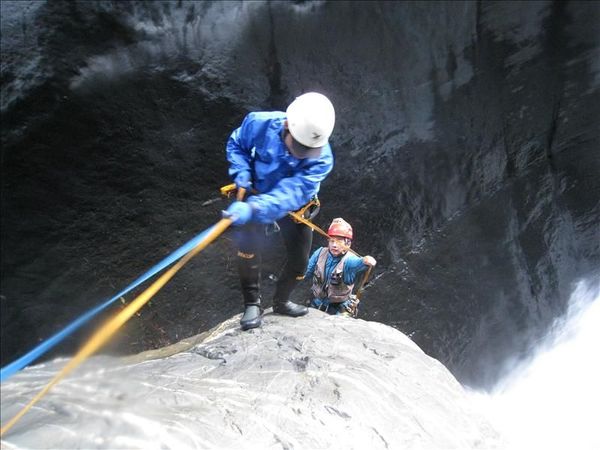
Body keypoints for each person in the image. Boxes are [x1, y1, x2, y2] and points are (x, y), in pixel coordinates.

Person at [223, 92, 336, 331]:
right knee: (248, 251)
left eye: (306, 149)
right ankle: (252, 303)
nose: (300, 153)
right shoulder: (259, 123)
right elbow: (237, 144)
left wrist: (255, 208)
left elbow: (291, 192)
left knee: (300, 262)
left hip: (293, 208)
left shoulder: (322, 158)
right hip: (253, 194)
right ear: (287, 125)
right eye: (298, 145)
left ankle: (281, 301)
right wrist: (241, 174)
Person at [305, 218, 377, 316]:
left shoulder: (349, 261)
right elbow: (305, 272)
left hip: (338, 306)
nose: (334, 245)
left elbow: (359, 263)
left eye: (339, 241)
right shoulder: (320, 253)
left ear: (347, 243)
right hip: (317, 300)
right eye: (331, 241)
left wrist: (365, 260)